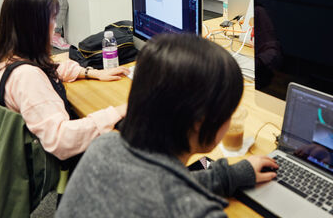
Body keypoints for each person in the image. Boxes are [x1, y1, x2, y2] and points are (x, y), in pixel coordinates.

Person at [57, 34, 278, 218]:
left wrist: (229, 176)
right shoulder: (195, 212)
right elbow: (167, 193)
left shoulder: (104, 146)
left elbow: (157, 185)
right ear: (200, 123)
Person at [0, 0, 129, 162]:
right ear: (35, 27)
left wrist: (92, 73)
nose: (55, 27)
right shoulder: (27, 77)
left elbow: (51, 67)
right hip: (47, 160)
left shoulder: (8, 58)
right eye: (52, 19)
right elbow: (60, 139)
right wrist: (118, 111)